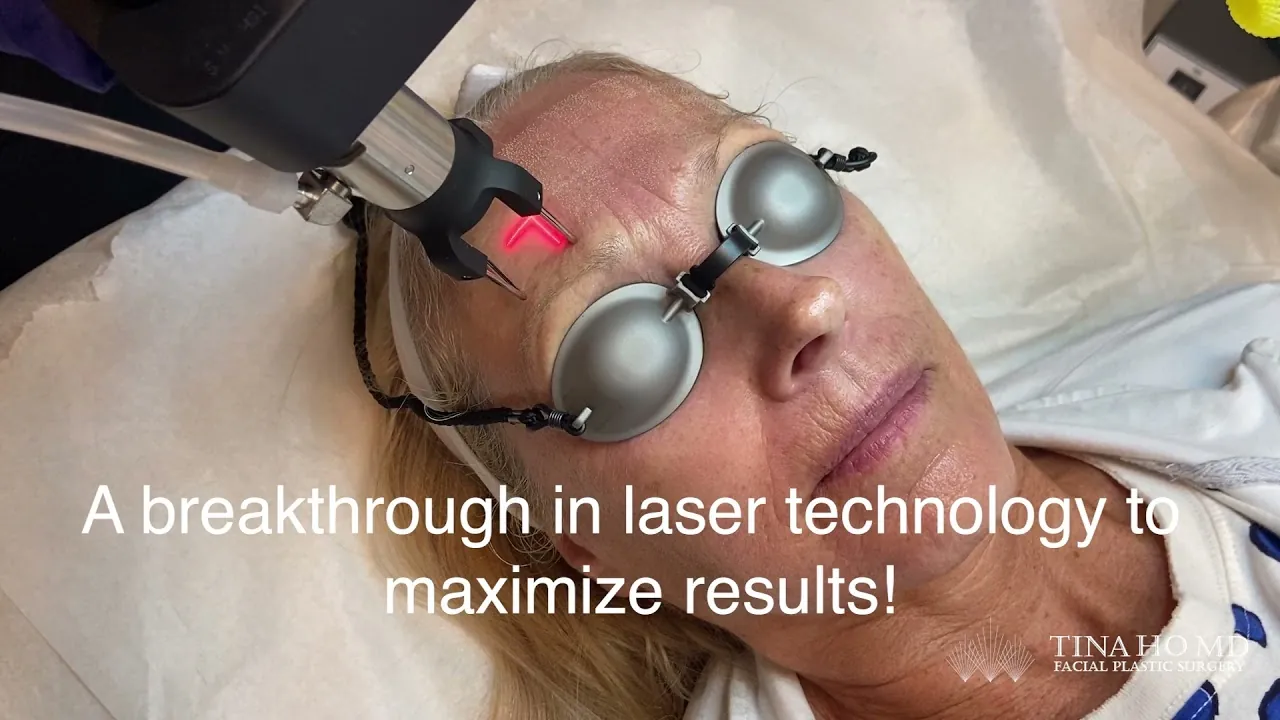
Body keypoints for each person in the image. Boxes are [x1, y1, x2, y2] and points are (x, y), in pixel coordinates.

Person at [359, 52, 1280, 720]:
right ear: (590, 549)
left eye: (774, 194)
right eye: (625, 352)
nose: (800, 306)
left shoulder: (1255, 359)